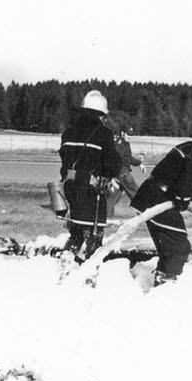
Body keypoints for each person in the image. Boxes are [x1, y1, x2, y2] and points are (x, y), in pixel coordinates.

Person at [130, 118, 192, 284]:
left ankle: (162, 280)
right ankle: (165, 287)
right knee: (179, 248)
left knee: (171, 247)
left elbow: (184, 185)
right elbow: (183, 191)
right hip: (157, 200)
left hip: (150, 196)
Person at [58, 91, 122, 261]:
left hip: (71, 189)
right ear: (101, 114)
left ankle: (65, 262)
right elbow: (113, 164)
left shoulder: (68, 133)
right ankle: (90, 271)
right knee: (94, 236)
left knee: (76, 233)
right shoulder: (103, 134)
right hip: (92, 192)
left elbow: (64, 162)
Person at [104, 110, 143, 217]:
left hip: (118, 175)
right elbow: (123, 159)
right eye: (128, 134)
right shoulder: (121, 144)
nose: (129, 136)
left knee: (113, 197)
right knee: (136, 194)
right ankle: (143, 216)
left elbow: (129, 158)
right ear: (122, 133)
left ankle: (107, 217)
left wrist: (139, 163)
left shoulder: (122, 143)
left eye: (131, 135)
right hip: (124, 174)